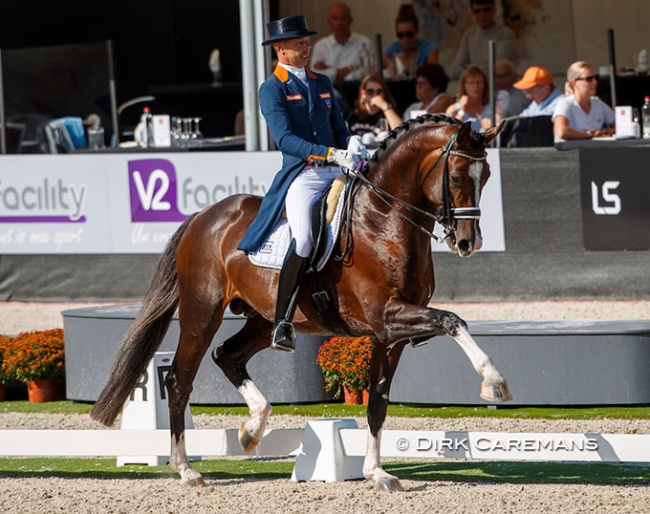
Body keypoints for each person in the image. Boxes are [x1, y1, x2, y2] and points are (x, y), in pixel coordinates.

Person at [237, 15, 369, 352]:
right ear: (280, 49)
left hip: (338, 167)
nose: (306, 46)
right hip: (304, 174)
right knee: (306, 238)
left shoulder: (322, 82)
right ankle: (282, 321)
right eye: (299, 43)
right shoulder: (272, 89)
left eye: (307, 41)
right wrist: (329, 154)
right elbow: (286, 141)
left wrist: (352, 144)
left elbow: (339, 128)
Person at [450, 0, 518, 79]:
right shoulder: (469, 34)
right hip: (474, 85)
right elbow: (455, 69)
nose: (482, 14)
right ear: (473, 14)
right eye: (478, 11)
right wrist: (475, 72)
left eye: (486, 10)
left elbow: (497, 69)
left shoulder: (506, 34)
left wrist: (469, 69)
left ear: (494, 10)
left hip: (498, 86)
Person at [310, 2, 374, 83]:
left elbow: (370, 71)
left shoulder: (365, 43)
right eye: (335, 19)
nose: (339, 23)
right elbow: (315, 75)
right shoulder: (321, 46)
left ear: (350, 21)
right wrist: (352, 69)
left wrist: (330, 70)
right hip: (332, 94)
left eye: (343, 18)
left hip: (361, 92)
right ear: (329, 22)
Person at [552, 61, 615, 141]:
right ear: (575, 83)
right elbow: (561, 132)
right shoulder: (565, 104)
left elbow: (621, 127)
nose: (595, 82)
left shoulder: (598, 103)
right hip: (571, 152)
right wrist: (589, 134)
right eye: (589, 79)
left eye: (596, 78)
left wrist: (605, 131)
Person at [445, 65, 503, 132]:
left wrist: (491, 128)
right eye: (471, 83)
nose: (476, 86)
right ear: (464, 85)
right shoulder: (453, 109)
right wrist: (462, 111)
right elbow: (451, 133)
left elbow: (500, 132)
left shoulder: (495, 108)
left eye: (479, 82)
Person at [383, 12, 438, 78]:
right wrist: (390, 65)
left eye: (409, 34)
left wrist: (413, 69)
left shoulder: (429, 47)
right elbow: (377, 67)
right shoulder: (393, 48)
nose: (405, 38)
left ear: (417, 31)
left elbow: (434, 71)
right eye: (400, 35)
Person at [347, 74, 403, 139]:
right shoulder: (354, 115)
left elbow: (401, 133)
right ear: (363, 94)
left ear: (384, 94)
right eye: (370, 91)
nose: (375, 95)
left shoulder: (390, 113)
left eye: (379, 92)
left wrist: (384, 106)